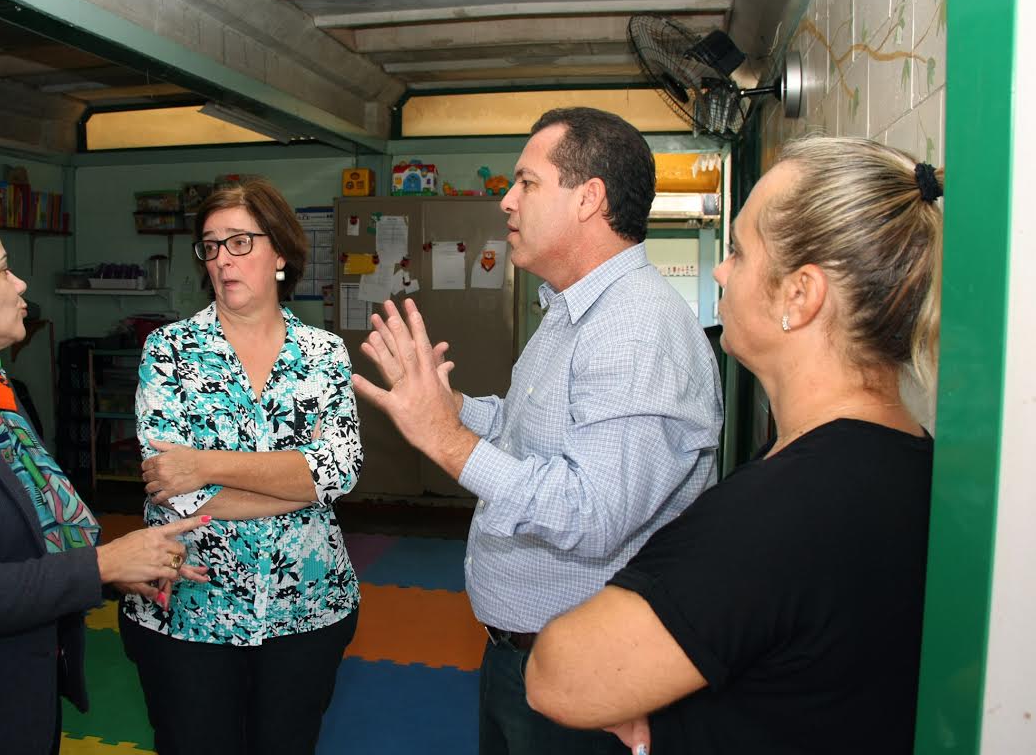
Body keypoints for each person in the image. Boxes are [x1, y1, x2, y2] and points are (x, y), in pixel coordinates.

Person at [524, 137, 942, 755]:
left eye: (741, 253)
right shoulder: (907, 453)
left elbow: (558, 677)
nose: (721, 269)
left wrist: (654, 705)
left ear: (800, 296)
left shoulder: (787, 507)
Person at [352, 107, 723, 755]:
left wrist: (444, 439)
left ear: (588, 198)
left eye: (525, 182)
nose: (505, 201)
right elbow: (527, 430)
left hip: (590, 673)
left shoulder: (635, 329)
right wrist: (453, 406)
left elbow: (590, 509)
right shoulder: (571, 310)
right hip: (521, 653)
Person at [0, 204, 211, 755]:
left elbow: (27, 537)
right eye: (3, 269)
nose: (22, 282)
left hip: (23, 694)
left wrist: (116, 572)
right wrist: (101, 564)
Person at [122, 179, 363, 755]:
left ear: (280, 251)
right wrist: (299, 486)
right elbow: (173, 492)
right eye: (211, 246)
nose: (223, 260)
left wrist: (206, 465)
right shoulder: (169, 350)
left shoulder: (324, 353)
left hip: (306, 608)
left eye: (240, 243)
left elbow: (339, 470)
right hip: (189, 612)